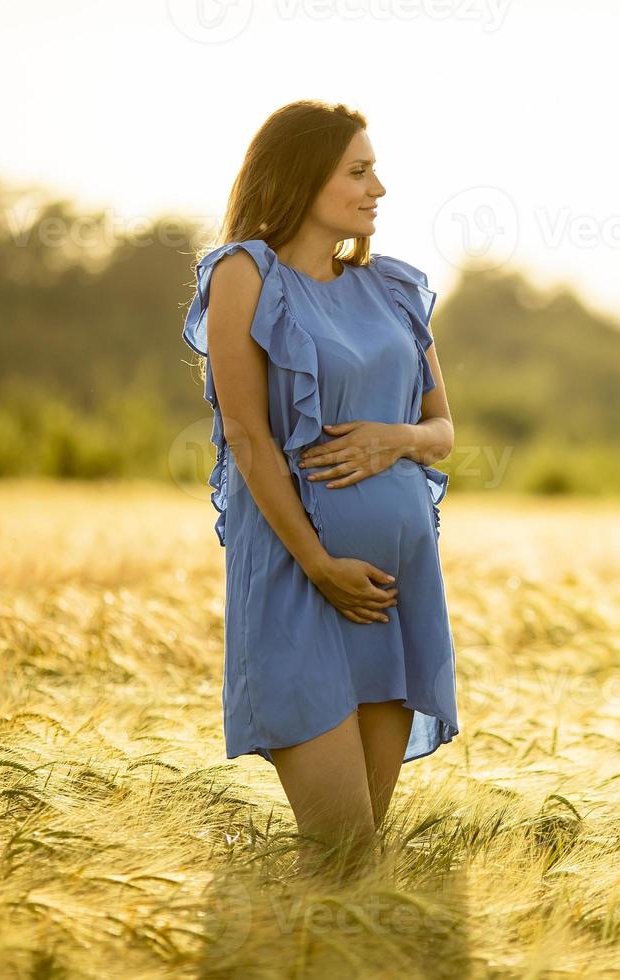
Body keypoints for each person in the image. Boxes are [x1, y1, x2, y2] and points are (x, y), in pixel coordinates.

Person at [181, 99, 460, 878]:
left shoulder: (396, 290)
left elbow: (443, 434)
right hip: (304, 584)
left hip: (392, 593)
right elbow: (247, 438)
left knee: (354, 868)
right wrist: (319, 564)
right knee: (340, 846)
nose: (379, 188)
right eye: (359, 171)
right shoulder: (243, 274)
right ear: (304, 176)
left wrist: (392, 439)